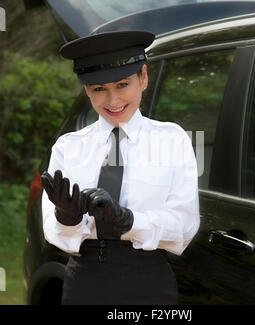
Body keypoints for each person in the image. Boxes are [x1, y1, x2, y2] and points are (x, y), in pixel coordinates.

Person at [41, 30, 200, 305]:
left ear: (144, 78)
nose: (113, 101)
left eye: (122, 85)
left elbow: (184, 226)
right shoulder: (68, 148)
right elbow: (52, 231)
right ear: (87, 90)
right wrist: (67, 218)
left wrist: (129, 220)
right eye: (99, 89)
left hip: (149, 283)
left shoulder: (173, 140)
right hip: (83, 283)